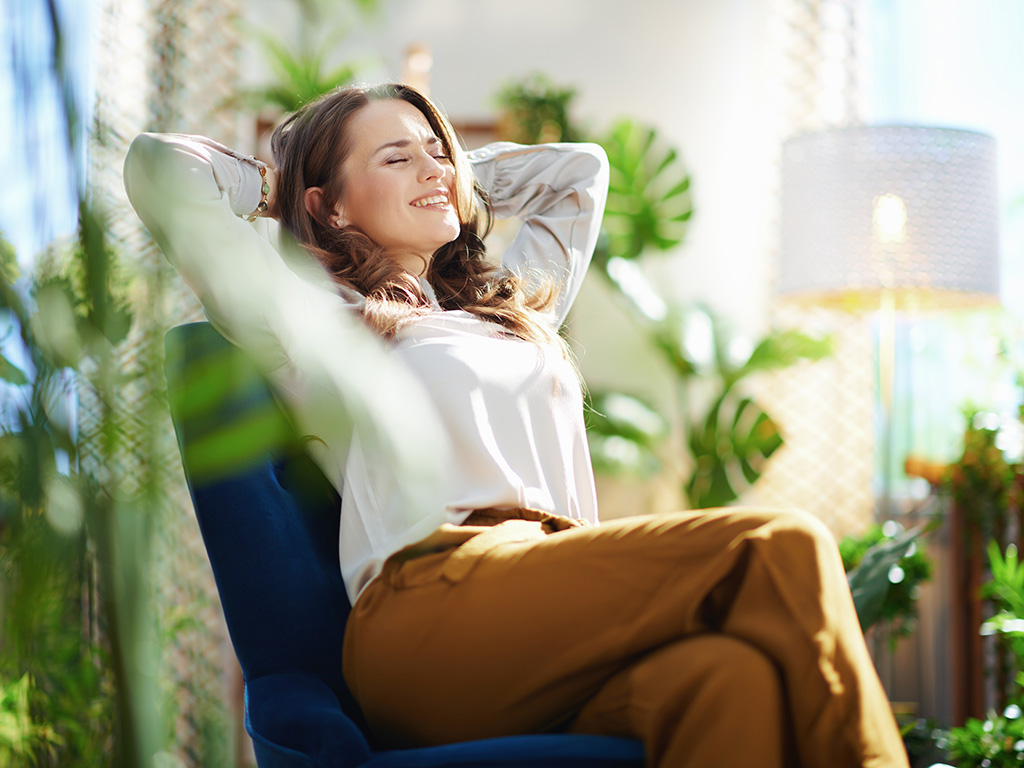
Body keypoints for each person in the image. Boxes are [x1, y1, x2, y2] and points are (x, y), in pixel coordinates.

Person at [124, 82, 909, 768]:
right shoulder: (313, 320)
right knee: (781, 547)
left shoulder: (506, 312)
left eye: (440, 154)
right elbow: (159, 168)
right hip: (430, 612)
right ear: (326, 204)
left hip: (548, 597)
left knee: (726, 683)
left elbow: (581, 174)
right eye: (397, 159)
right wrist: (284, 184)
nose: (434, 169)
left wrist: (437, 179)